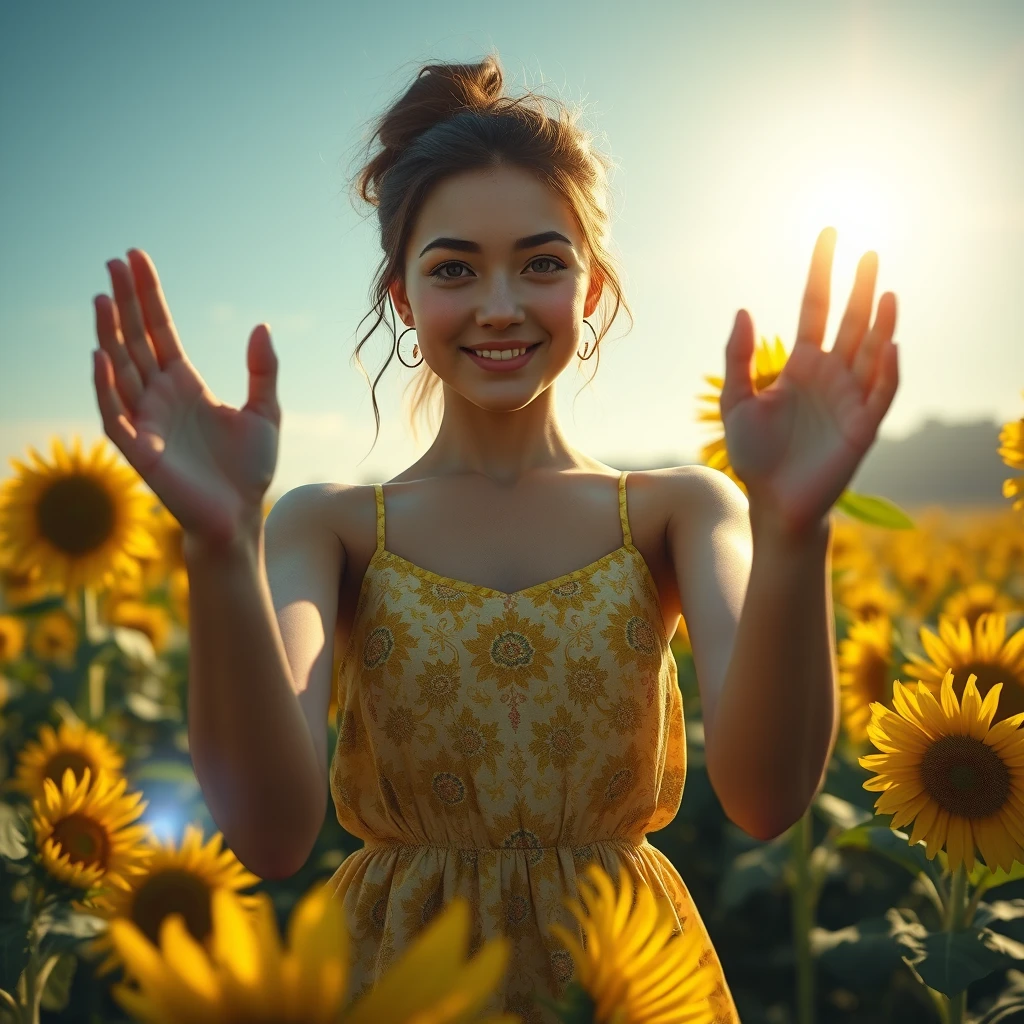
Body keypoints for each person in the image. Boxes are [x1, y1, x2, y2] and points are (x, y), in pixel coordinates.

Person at [91, 52, 898, 1024]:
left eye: (542, 263)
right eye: (454, 268)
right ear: (403, 298)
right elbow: (269, 833)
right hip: (399, 978)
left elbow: (765, 798)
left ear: (591, 289)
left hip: (624, 980)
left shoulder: (680, 511)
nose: (501, 304)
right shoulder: (327, 525)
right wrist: (217, 546)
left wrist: (794, 526)